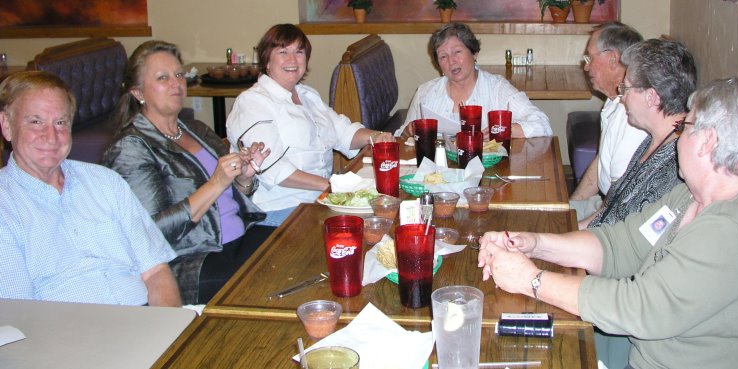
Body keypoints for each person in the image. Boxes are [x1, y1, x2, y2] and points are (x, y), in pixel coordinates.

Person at [479, 77, 738, 369]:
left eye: (685, 127)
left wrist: (530, 279)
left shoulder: (733, 230)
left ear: (707, 142)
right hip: (636, 346)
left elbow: (641, 309)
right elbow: (621, 244)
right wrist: (535, 243)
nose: (679, 135)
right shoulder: (691, 196)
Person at [102, 41, 273, 305]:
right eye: (162, 78)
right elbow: (151, 233)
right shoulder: (132, 147)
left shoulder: (194, 129)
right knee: (271, 279)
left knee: (299, 248)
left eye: (179, 75)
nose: (176, 83)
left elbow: (231, 195)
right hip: (192, 260)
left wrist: (244, 177)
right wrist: (215, 184)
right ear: (138, 92)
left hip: (237, 238)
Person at [0, 71, 181, 306]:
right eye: (36, 122)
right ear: (6, 125)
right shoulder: (5, 206)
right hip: (69, 335)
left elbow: (156, 271)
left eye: (60, 122)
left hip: (145, 322)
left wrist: (169, 330)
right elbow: (19, 313)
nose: (51, 136)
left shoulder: (105, 182)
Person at [226, 24, 394, 226]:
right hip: (280, 210)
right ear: (267, 61)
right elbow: (273, 169)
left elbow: (343, 132)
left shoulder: (307, 95)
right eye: (283, 52)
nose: (292, 60)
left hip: (318, 200)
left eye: (299, 52)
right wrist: (331, 186)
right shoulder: (253, 102)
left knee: (387, 212)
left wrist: (376, 137)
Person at [579, 39, 697, 229]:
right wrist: (570, 230)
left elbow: (629, 242)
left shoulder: (675, 165)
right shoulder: (652, 140)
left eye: (626, 89)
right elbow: (610, 209)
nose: (622, 98)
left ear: (651, 97)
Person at [394, 22, 552, 139]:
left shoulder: (497, 88)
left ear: (474, 53)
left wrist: (504, 130)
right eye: (443, 56)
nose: (452, 61)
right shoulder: (425, 92)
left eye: (457, 52)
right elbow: (401, 136)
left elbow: (543, 125)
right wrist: (409, 131)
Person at [569, 22, 647, 221]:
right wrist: (571, 207)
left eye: (590, 58)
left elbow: (620, 205)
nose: (586, 66)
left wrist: (574, 231)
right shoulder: (614, 101)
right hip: (605, 203)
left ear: (613, 59)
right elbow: (601, 162)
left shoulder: (632, 120)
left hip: (620, 218)